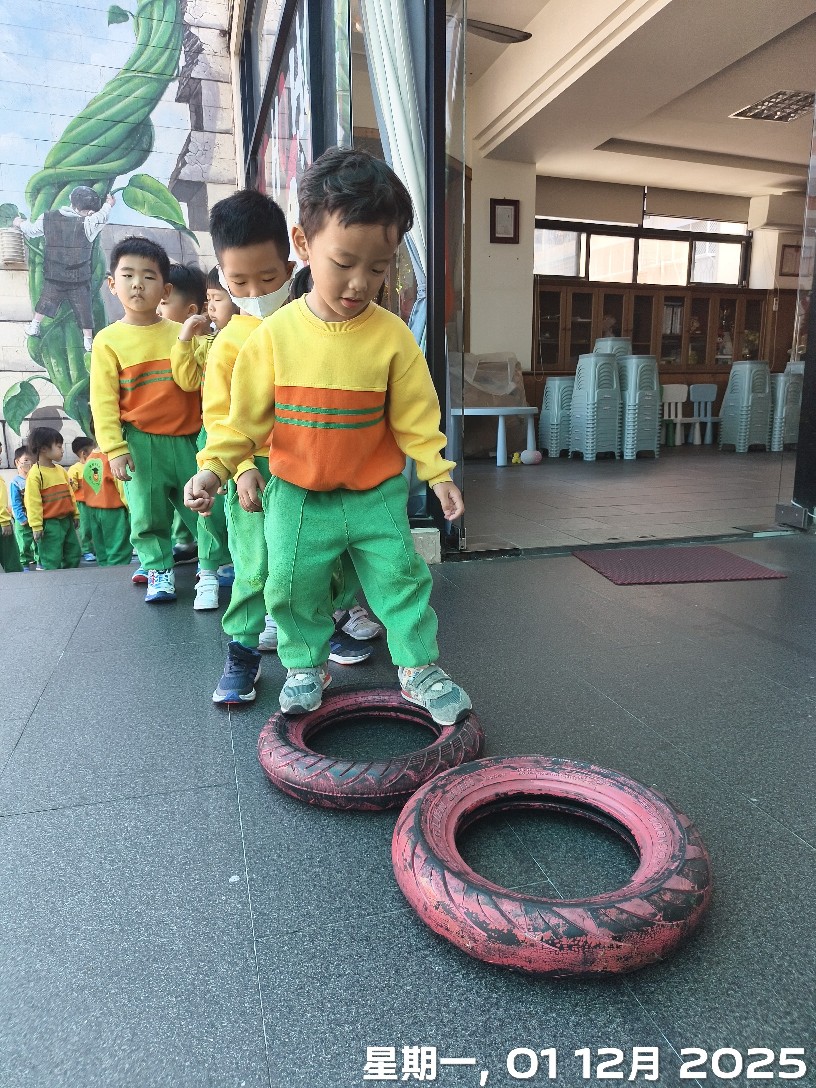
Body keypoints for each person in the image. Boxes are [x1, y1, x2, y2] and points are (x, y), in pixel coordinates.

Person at [185, 147, 471, 724]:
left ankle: (418, 667)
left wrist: (438, 473)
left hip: (375, 495)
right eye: (344, 262)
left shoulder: (392, 337)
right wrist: (214, 470)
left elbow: (416, 415)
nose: (360, 283)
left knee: (401, 578)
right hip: (298, 496)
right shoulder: (272, 338)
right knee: (291, 586)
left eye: (379, 268)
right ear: (302, 243)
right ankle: (304, 666)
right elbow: (242, 422)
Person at [176, 188, 377, 705]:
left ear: (290, 266)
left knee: (319, 556)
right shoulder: (229, 341)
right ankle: (243, 652)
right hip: (255, 473)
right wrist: (239, 467)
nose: (255, 291)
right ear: (222, 279)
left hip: (310, 467)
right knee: (256, 564)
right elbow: (220, 418)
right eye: (239, 282)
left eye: (267, 279)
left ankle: (321, 631)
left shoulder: (312, 325)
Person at [89, 236, 201, 602]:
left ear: (165, 290)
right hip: (139, 442)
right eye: (128, 275)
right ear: (112, 284)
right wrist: (114, 448)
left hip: (188, 439)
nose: (138, 284)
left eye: (149, 276)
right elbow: (103, 401)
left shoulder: (180, 333)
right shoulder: (108, 341)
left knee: (204, 509)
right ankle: (159, 570)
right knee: (147, 513)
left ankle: (215, 564)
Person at [172, 266, 236, 612]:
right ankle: (208, 571)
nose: (210, 307)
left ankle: (240, 568)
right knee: (208, 505)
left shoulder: (261, 336)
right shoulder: (207, 344)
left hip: (251, 438)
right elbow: (185, 379)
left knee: (246, 507)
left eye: (218, 299)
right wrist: (186, 338)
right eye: (208, 299)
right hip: (212, 436)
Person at [15, 187, 115, 353]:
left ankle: (34, 326)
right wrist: (108, 205)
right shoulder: (88, 223)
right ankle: (88, 341)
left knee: (46, 301)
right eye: (89, 211)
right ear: (88, 211)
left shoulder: (48, 218)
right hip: (79, 278)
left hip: (54, 275)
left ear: (71, 201)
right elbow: (102, 216)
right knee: (84, 309)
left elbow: (31, 231)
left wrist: (19, 223)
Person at [24, 426, 80, 570]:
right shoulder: (35, 474)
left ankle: (72, 579)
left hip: (66, 520)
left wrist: (75, 514)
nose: (62, 450)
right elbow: (32, 503)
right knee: (51, 558)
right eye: (59, 446)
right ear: (43, 448)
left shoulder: (61, 470)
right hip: (50, 524)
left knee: (73, 554)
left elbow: (70, 493)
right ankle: (54, 581)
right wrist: (36, 526)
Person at [82, 445, 132, 566]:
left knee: (102, 550)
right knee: (118, 549)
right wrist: (130, 507)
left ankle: (104, 573)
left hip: (93, 509)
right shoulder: (113, 456)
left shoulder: (90, 457)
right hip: (113, 509)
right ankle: (117, 575)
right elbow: (121, 483)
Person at [67, 435, 96, 561]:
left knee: (95, 526)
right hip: (82, 504)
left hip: (95, 502)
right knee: (85, 528)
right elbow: (71, 488)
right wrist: (72, 484)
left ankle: (95, 548)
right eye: (92, 450)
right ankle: (86, 550)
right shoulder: (74, 469)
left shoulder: (95, 465)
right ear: (84, 453)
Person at [9, 446, 36, 569]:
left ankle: (38, 560)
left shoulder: (35, 478)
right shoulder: (15, 482)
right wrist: (21, 518)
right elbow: (15, 502)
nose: (29, 463)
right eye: (26, 460)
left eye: (32, 460)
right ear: (17, 462)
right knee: (24, 542)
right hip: (23, 519)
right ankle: (24, 563)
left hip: (35, 517)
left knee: (38, 540)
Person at [0, 439, 23, 573]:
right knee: (11, 558)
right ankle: (17, 579)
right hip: (1, 524)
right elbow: (1, 502)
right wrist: (5, 521)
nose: (0, 459)